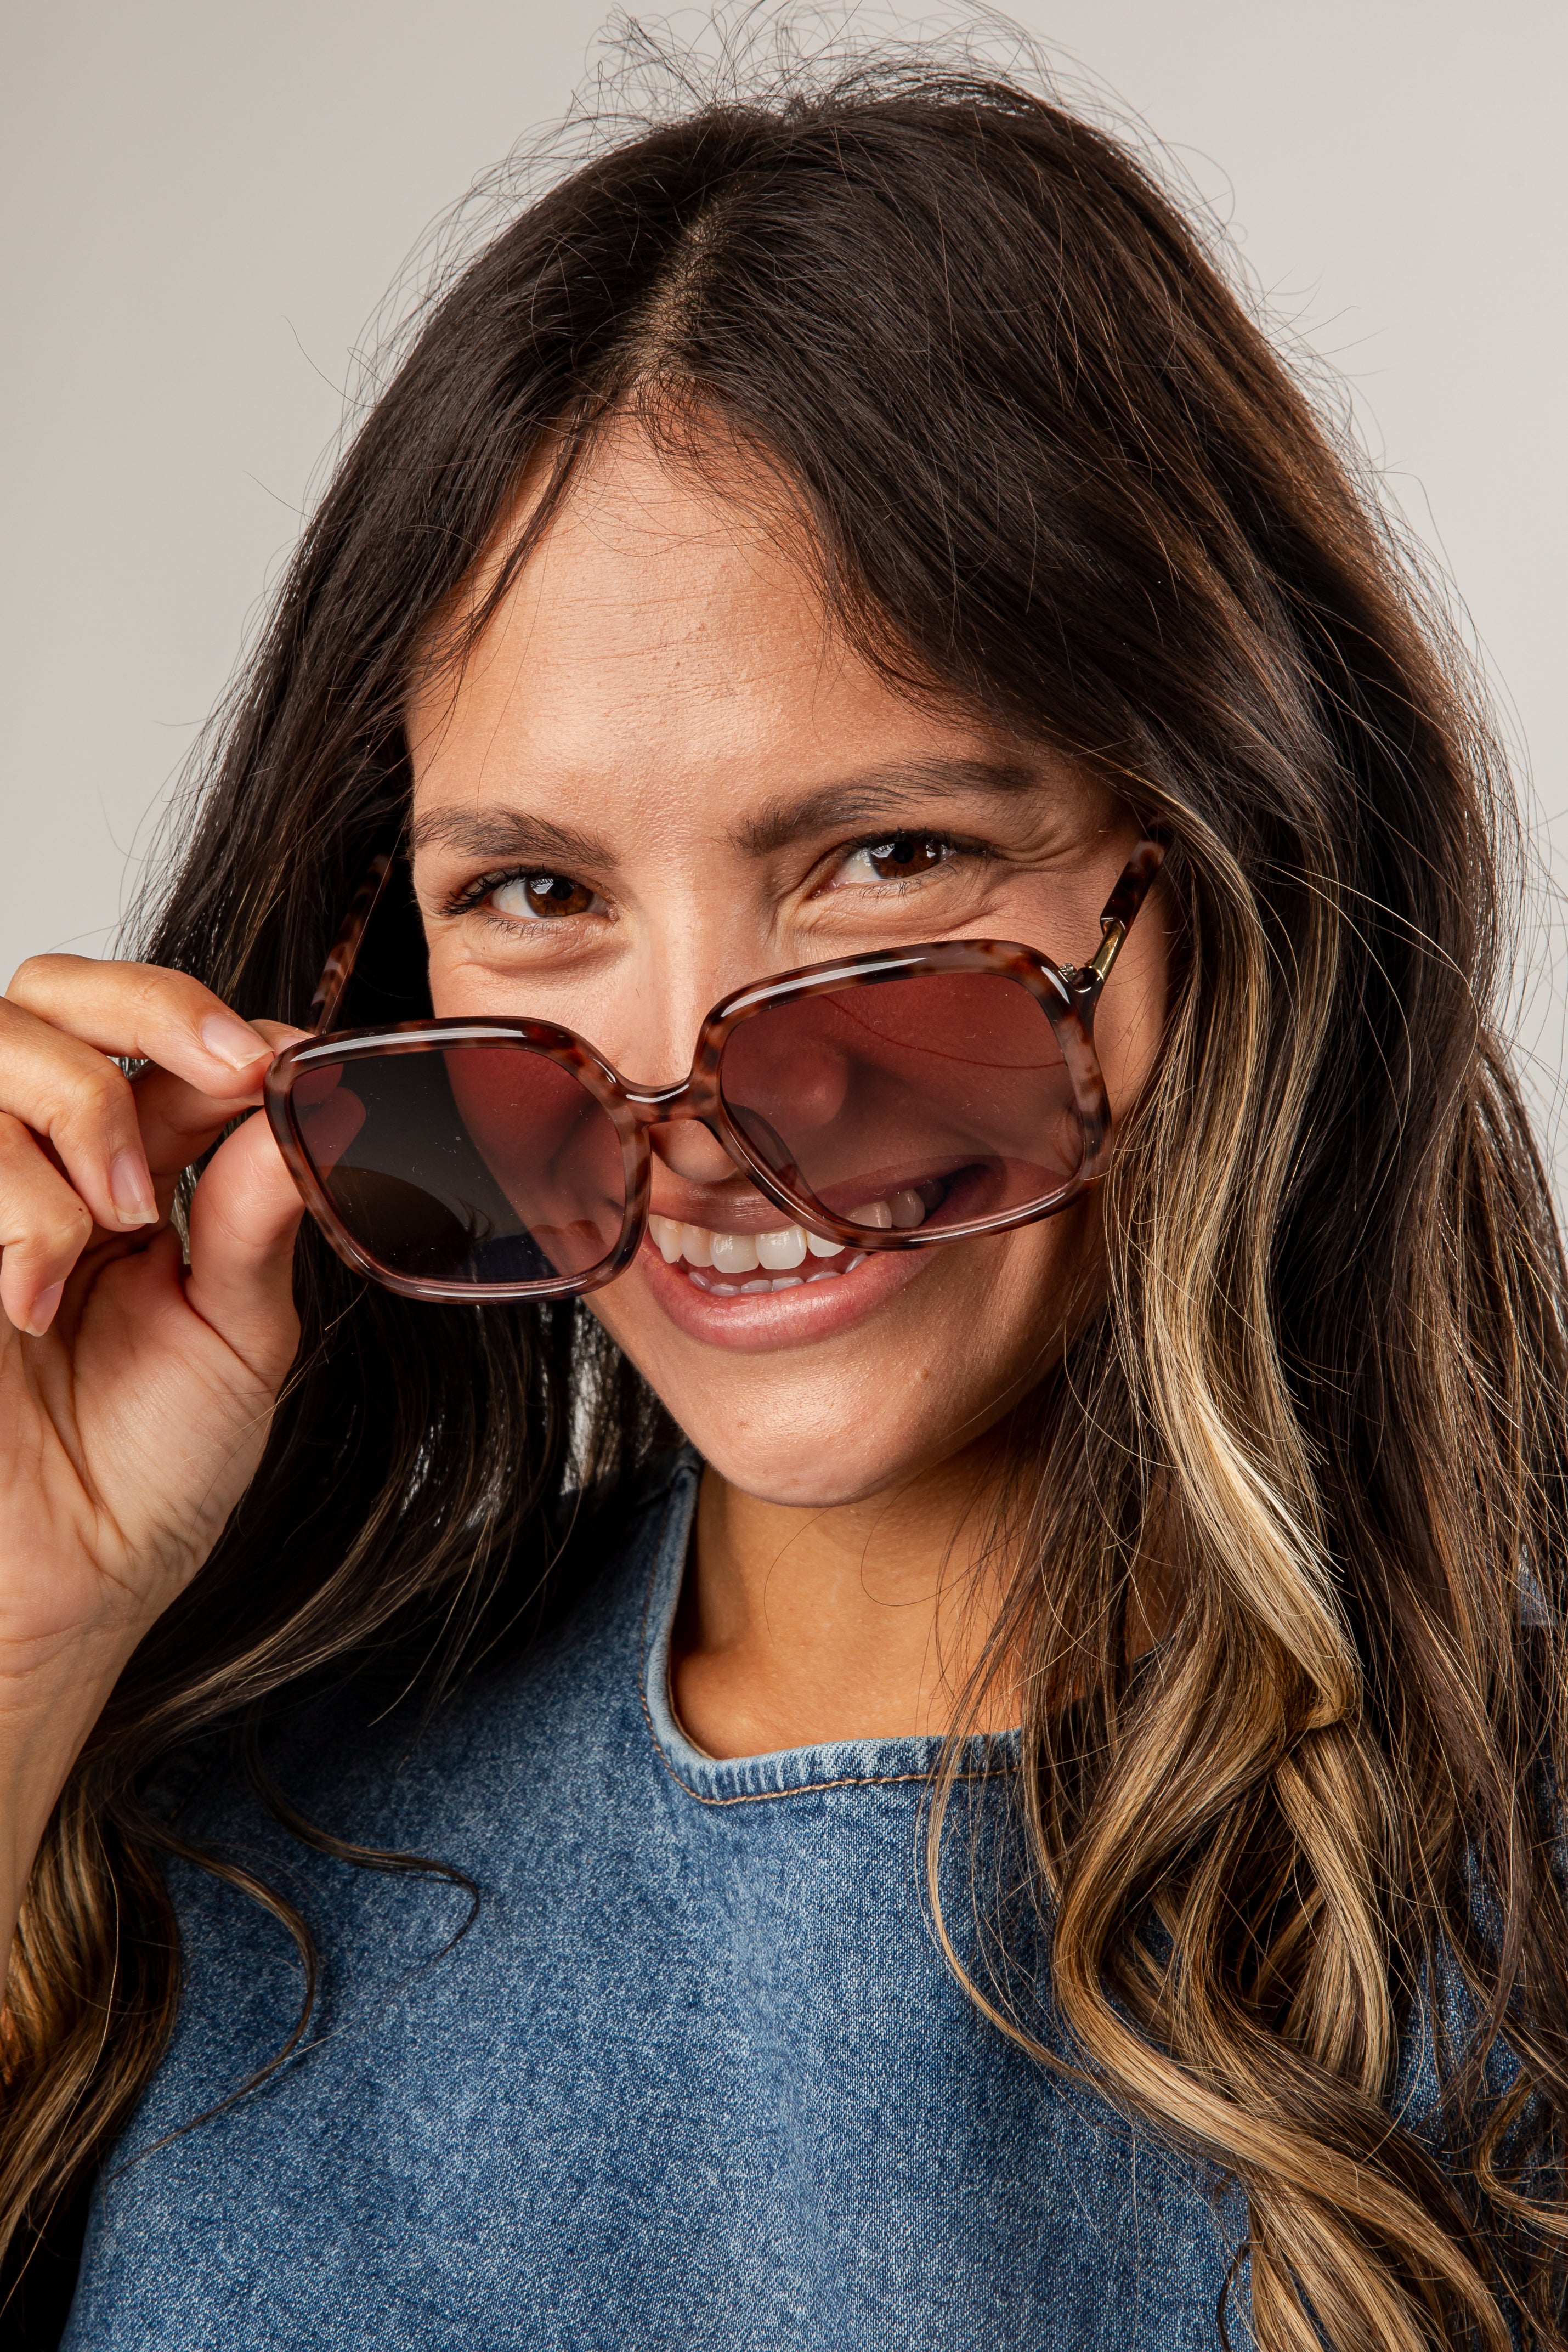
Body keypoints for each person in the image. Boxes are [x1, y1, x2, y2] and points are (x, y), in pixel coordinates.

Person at [1, 38, 1564, 2352]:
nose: (679, 1095)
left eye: (883, 860)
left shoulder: (1507, 1885)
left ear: (1204, 891)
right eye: (532, 887)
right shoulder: (192, 1827)